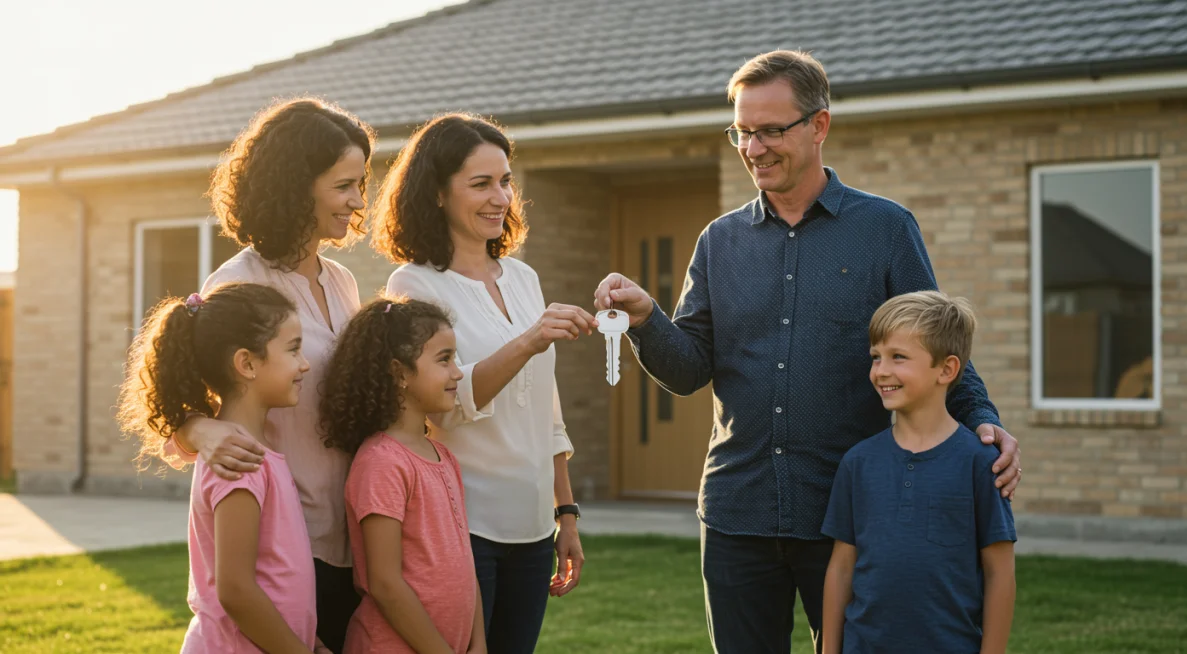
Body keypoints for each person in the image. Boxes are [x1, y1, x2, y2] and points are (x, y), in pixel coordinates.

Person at [593, 50, 1023, 653]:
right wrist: (646, 319)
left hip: (846, 513)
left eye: (771, 130)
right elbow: (688, 370)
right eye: (742, 132)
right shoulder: (719, 242)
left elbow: (935, 342)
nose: (754, 148)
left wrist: (982, 419)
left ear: (819, 125)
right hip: (736, 511)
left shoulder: (885, 229)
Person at [157, 97, 375, 653]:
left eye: (360, 184)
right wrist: (200, 430)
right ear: (297, 186)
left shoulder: (343, 281)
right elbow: (185, 394)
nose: (358, 201)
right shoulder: (240, 282)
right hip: (285, 544)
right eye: (343, 185)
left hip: (351, 535)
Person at [373, 113, 594, 653]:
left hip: (535, 525)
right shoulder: (413, 284)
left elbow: (547, 412)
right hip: (463, 525)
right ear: (437, 193)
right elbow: (439, 406)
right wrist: (529, 341)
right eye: (481, 184)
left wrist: (565, 514)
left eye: (505, 181)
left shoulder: (524, 277)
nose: (500, 198)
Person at [117, 283, 328, 653]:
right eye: (293, 349)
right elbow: (236, 591)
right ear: (247, 364)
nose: (304, 363)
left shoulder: (254, 451)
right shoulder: (239, 461)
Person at [821, 291, 1017, 653]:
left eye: (898, 357)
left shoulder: (980, 462)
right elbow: (841, 569)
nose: (881, 371)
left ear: (947, 369)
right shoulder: (857, 462)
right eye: (876, 357)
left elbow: (1000, 573)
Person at [321, 297, 485, 654]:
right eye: (444, 359)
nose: (457, 372)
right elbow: (384, 583)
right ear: (399, 373)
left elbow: (464, 560)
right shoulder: (381, 462)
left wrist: (479, 642)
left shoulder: (444, 457)